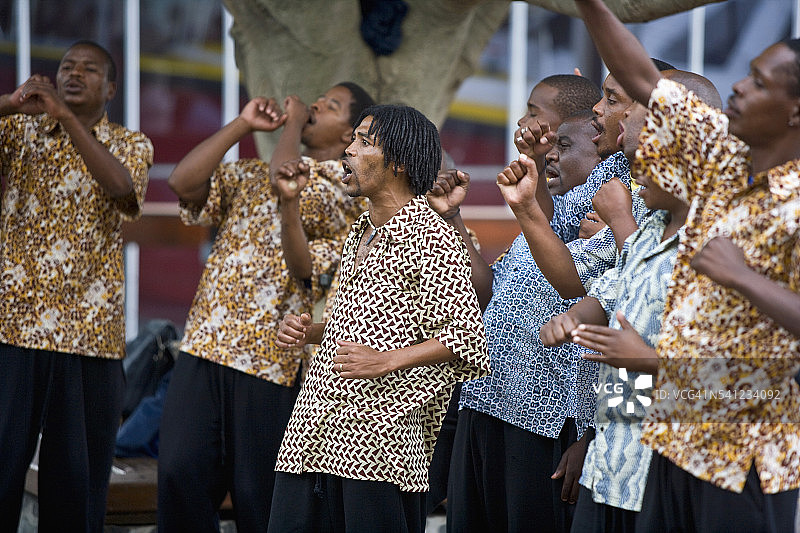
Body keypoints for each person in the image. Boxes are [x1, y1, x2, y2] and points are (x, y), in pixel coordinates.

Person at [572, 0, 800, 531]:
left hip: (745, 456)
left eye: (760, 83)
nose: (740, 88)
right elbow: (643, 78)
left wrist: (741, 276)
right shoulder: (720, 162)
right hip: (673, 439)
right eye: (746, 76)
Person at [158, 82, 374, 533]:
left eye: (330, 105)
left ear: (349, 133)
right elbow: (183, 182)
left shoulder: (340, 188)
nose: (314, 104)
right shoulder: (251, 172)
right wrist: (242, 124)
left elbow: (286, 177)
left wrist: (291, 123)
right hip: (205, 345)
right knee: (179, 476)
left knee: (258, 498)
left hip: (268, 361)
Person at [269, 104, 489, 533]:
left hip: (376, 447)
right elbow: (369, 322)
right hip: (312, 435)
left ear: (401, 162)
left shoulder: (430, 234)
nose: (348, 151)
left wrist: (384, 361)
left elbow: (466, 338)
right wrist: (312, 331)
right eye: (351, 140)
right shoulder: (362, 230)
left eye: (364, 142)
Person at [539, 69, 721, 533]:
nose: (633, 179)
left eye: (642, 162)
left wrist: (651, 360)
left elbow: (760, 375)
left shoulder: (724, 240)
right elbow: (606, 297)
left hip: (666, 479)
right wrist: (570, 320)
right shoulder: (649, 233)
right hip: (612, 466)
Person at [429, 72, 605, 533]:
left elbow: (580, 291)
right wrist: (451, 217)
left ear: (589, 130)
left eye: (534, 112)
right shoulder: (551, 202)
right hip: (490, 394)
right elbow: (488, 294)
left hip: (543, 413)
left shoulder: (610, 196)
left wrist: (589, 433)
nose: (524, 122)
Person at [0, 41, 153, 532]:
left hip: (88, 335)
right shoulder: (19, 132)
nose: (73, 73)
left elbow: (120, 188)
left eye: (89, 69)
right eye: (66, 66)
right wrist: (10, 103)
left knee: (78, 482)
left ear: (110, 88)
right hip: (13, 326)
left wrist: (66, 118)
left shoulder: (132, 143)